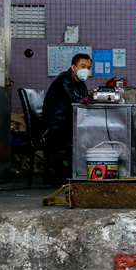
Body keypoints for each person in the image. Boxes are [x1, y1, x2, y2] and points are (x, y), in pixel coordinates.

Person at [41, 53, 93, 185]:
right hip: (56, 123)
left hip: (69, 122)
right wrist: (84, 100)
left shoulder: (81, 83)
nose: (85, 70)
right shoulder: (63, 79)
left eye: (88, 67)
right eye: (83, 66)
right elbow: (72, 98)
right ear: (73, 67)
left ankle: (77, 174)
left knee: (89, 135)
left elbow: (85, 97)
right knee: (84, 138)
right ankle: (60, 177)